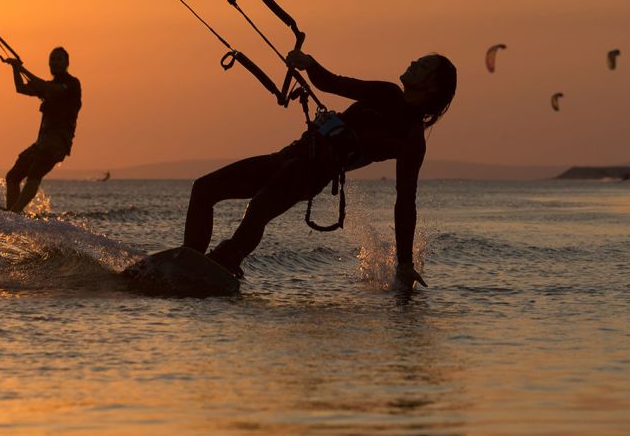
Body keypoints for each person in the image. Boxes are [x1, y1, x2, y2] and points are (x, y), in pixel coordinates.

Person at [183, 51, 457, 289]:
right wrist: (309, 64)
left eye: (421, 66)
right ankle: (185, 261)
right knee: (205, 188)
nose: (412, 63)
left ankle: (216, 266)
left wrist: (405, 264)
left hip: (311, 171)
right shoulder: (386, 93)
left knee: (259, 209)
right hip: (291, 155)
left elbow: (405, 202)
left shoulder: (411, 139)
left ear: (432, 87)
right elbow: (333, 83)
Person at [0, 47, 81, 212]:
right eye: (52, 59)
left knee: (34, 173)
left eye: (58, 59)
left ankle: (15, 212)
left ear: (67, 63)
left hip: (58, 143)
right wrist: (15, 69)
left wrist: (22, 68)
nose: (54, 62)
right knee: (12, 176)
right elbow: (21, 88)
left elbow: (50, 89)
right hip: (42, 142)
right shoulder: (46, 86)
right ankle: (12, 214)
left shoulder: (72, 84)